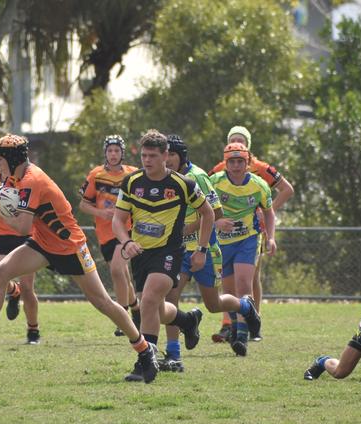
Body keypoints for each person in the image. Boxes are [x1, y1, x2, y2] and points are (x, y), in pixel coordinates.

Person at [0, 134, 161, 383]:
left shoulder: (31, 181)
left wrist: (5, 212)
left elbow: (21, 227)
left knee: (103, 303)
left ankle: (145, 352)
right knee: (0, 272)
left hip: (69, 246)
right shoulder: (13, 175)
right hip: (43, 243)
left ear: (10, 158)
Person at [113, 129, 208, 381]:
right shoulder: (132, 183)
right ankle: (187, 320)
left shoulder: (183, 184)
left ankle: (145, 361)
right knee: (151, 307)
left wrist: (202, 249)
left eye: (153, 156)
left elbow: (208, 214)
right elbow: (118, 220)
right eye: (144, 155)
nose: (147, 160)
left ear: (166, 155)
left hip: (169, 251)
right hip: (141, 253)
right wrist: (127, 242)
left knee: (149, 300)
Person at [160, 134, 260, 372]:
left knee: (214, 304)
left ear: (182, 156)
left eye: (171, 155)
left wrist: (191, 235)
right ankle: (173, 355)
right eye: (165, 155)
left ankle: (245, 307)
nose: (167, 159)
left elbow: (215, 212)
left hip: (205, 250)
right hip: (179, 252)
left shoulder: (198, 177)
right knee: (170, 300)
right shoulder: (163, 177)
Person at [209, 126, 293, 342]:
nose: (236, 163)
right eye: (233, 140)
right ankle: (230, 325)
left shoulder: (261, 170)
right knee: (229, 283)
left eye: (242, 141)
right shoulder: (218, 173)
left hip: (252, 230)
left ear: (248, 147)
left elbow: (287, 190)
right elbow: (202, 200)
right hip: (224, 236)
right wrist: (216, 219)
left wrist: (266, 213)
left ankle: (252, 323)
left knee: (249, 277)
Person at [208, 142, 275, 356]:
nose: (236, 166)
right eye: (232, 161)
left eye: (240, 161)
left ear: (247, 163)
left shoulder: (259, 185)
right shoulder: (214, 182)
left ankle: (242, 338)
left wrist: (271, 238)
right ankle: (236, 328)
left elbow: (269, 213)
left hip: (248, 239)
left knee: (244, 285)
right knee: (228, 292)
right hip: (222, 243)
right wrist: (217, 222)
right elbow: (202, 209)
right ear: (225, 163)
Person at [79, 134, 140, 337]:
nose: (113, 154)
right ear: (105, 153)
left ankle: (122, 316)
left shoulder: (132, 174)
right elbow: (83, 204)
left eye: (116, 150)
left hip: (126, 231)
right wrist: (100, 213)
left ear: (122, 153)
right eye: (110, 150)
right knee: (122, 274)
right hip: (105, 233)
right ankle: (136, 308)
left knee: (116, 270)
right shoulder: (96, 175)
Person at [0, 162, 41, 344]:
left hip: (26, 236)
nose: (2, 161)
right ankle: (14, 292)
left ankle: (33, 330)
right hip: (3, 237)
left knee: (28, 288)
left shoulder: (29, 180)